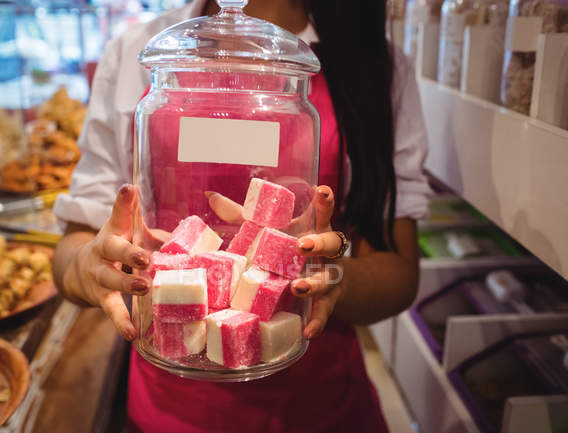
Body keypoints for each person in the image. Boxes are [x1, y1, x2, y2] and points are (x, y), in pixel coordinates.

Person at [52, 0, 432, 432]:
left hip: (317, 406)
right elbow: (71, 250)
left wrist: (330, 276)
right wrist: (88, 267)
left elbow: (400, 276)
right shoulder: (135, 52)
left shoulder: (373, 64)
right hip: (170, 405)